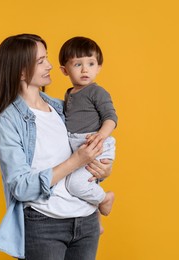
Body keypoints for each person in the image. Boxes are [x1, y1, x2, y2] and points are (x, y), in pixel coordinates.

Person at [0, 34, 113, 260]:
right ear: (21, 71)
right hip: (43, 225)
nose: (50, 65)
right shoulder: (7, 121)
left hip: (86, 221)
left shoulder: (63, 108)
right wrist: (75, 162)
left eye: (47, 58)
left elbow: (88, 151)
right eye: (41, 61)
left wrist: (103, 170)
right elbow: (20, 187)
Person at [59, 36, 117, 233]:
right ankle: (96, 220)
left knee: (75, 184)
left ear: (99, 67)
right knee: (84, 183)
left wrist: (101, 136)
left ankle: (105, 198)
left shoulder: (96, 92)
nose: (85, 69)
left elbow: (111, 118)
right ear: (64, 70)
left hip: (95, 143)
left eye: (91, 63)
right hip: (80, 146)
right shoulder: (70, 94)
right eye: (78, 64)